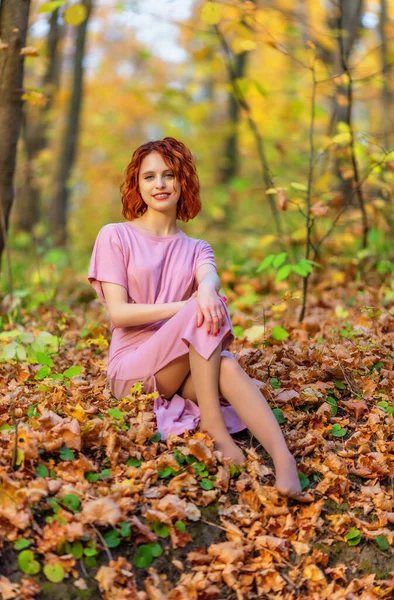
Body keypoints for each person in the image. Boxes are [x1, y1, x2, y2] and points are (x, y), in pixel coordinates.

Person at [88, 136, 302, 498]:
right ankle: (217, 432)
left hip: (180, 365)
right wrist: (187, 307)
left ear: (182, 180)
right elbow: (120, 314)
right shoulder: (115, 236)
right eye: (149, 177)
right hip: (131, 372)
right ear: (137, 185)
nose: (159, 184)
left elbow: (209, 276)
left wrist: (204, 291)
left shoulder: (196, 248)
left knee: (229, 366)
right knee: (200, 310)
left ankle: (285, 461)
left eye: (168, 175)